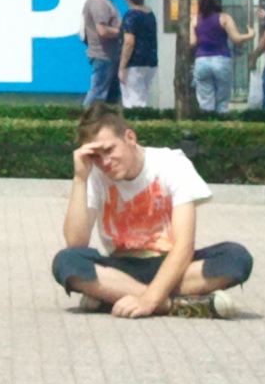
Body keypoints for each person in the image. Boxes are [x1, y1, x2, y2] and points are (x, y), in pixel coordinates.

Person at [52, 105, 253, 317]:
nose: (105, 162)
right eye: (96, 156)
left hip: (174, 265)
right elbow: (76, 243)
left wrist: (148, 300)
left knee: (236, 257)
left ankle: (112, 295)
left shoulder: (171, 164)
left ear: (130, 137)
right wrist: (80, 178)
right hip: (122, 266)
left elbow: (184, 245)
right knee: (67, 262)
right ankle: (174, 305)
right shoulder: (95, 173)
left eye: (109, 150)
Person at [191, 0, 241, 114]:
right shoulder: (225, 18)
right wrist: (250, 34)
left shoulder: (195, 19)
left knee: (205, 101)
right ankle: (221, 127)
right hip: (222, 59)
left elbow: (192, 42)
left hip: (201, 60)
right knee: (222, 102)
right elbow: (236, 38)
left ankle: (207, 126)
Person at [81, 0, 124, 109]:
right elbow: (102, 30)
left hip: (110, 55)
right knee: (97, 95)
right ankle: (85, 121)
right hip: (102, 55)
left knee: (109, 98)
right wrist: (122, 31)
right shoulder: (97, 1)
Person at [117, 0, 159, 110]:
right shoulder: (150, 14)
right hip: (150, 61)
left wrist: (122, 66)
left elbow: (129, 42)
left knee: (132, 99)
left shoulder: (131, 15)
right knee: (142, 96)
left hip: (134, 62)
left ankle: (135, 125)